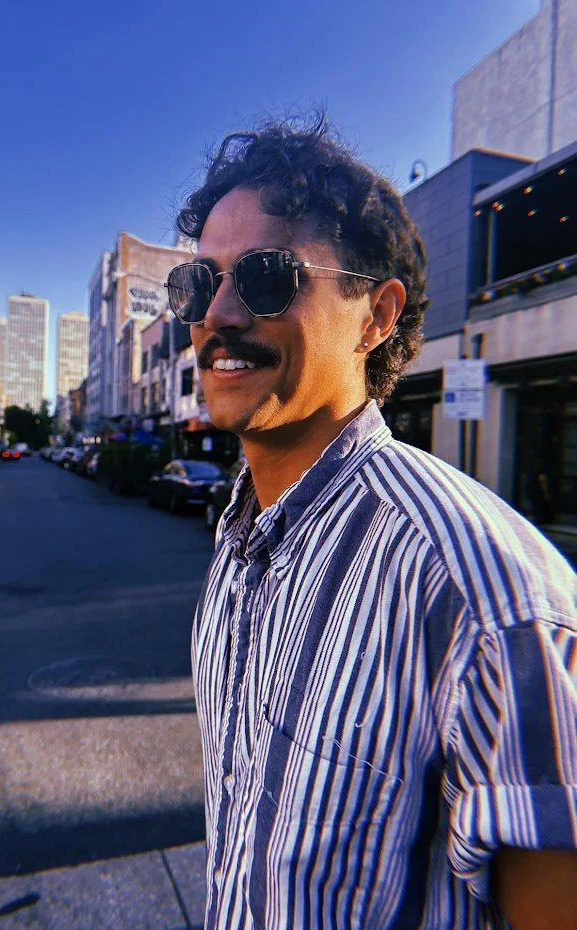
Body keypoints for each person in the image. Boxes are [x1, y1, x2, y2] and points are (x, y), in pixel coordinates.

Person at [166, 116, 577, 930]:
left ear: (376, 315)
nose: (217, 314)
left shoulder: (486, 599)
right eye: (196, 285)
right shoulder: (239, 538)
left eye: (265, 276)